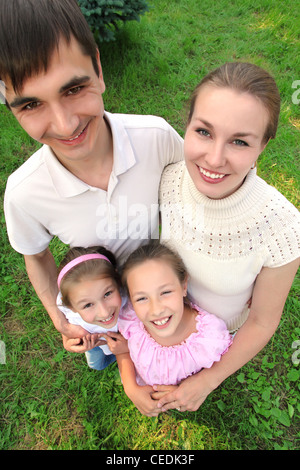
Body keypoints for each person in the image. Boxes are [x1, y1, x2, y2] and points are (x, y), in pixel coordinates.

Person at [1, 0, 183, 344]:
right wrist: (60, 318)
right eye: (30, 104)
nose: (65, 125)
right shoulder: (24, 193)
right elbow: (36, 256)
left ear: (98, 69)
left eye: (73, 89)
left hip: (160, 299)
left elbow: (203, 196)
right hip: (100, 311)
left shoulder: (157, 139)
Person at [157, 62, 300, 412]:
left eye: (239, 141)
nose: (214, 158)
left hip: (217, 342)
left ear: (263, 145)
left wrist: (208, 380)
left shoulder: (284, 227)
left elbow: (264, 321)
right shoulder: (166, 178)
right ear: (186, 125)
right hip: (160, 321)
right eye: (204, 132)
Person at [115, 242, 232, 416]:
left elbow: (213, 372)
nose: (156, 310)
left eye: (165, 292)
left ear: (184, 286)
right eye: (141, 298)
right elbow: (122, 348)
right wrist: (131, 388)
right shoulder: (132, 320)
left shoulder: (208, 337)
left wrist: (180, 393)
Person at [56, 246, 128, 369]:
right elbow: (65, 318)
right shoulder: (67, 309)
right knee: (97, 365)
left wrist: (127, 349)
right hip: (94, 345)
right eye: (88, 305)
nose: (104, 313)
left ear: (117, 282)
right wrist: (68, 340)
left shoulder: (130, 301)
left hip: (128, 343)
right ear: (71, 306)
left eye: (107, 294)